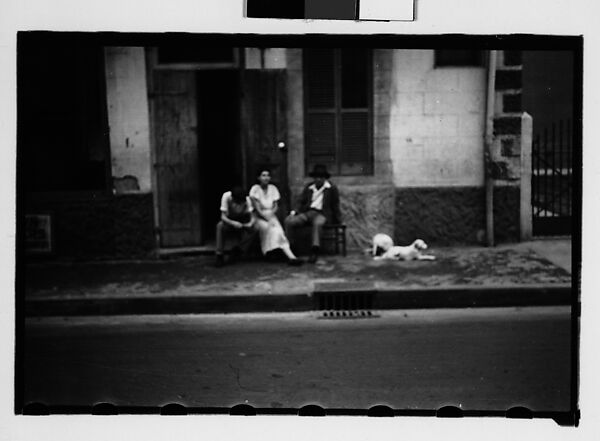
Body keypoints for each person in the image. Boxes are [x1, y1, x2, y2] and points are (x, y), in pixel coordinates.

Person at [284, 164, 342, 263]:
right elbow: (301, 201)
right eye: (316, 177)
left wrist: (338, 220)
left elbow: (335, 205)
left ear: (324, 178)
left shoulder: (331, 188)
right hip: (308, 212)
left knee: (318, 224)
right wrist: (294, 212)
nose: (318, 179)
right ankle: (291, 247)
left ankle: (314, 250)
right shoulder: (309, 187)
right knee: (289, 221)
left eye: (321, 177)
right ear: (314, 178)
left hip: (322, 214)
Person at [249, 169, 303, 266]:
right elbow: (257, 208)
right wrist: (266, 218)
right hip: (259, 217)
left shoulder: (273, 188)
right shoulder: (255, 189)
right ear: (259, 178)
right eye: (263, 175)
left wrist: (271, 215)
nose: (266, 178)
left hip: (271, 215)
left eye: (268, 175)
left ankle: (292, 258)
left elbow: (275, 206)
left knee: (279, 232)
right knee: (269, 229)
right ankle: (270, 253)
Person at [215, 185, 258, 267]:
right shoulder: (226, 197)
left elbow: (253, 216)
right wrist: (232, 223)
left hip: (242, 219)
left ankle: (238, 250)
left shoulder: (247, 200)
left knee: (256, 228)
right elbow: (223, 217)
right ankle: (219, 254)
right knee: (220, 226)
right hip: (230, 219)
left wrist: (250, 223)